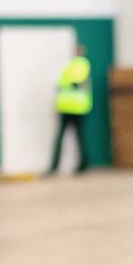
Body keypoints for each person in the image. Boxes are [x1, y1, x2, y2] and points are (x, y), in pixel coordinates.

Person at [49, 43, 92, 175]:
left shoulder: (81, 64)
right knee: (69, 137)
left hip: (76, 106)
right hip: (67, 106)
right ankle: (58, 165)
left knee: (77, 137)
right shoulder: (71, 65)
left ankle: (82, 164)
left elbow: (76, 82)